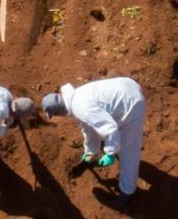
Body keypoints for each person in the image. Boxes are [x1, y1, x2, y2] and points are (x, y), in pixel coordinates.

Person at [41, 77, 146, 209]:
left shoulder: (81, 108)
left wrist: (110, 153)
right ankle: (108, 147)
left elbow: (110, 128)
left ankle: (128, 191)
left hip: (132, 104)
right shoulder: (75, 97)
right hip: (127, 86)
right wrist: (90, 151)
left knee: (128, 150)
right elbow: (89, 127)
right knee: (105, 130)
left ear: (60, 112)